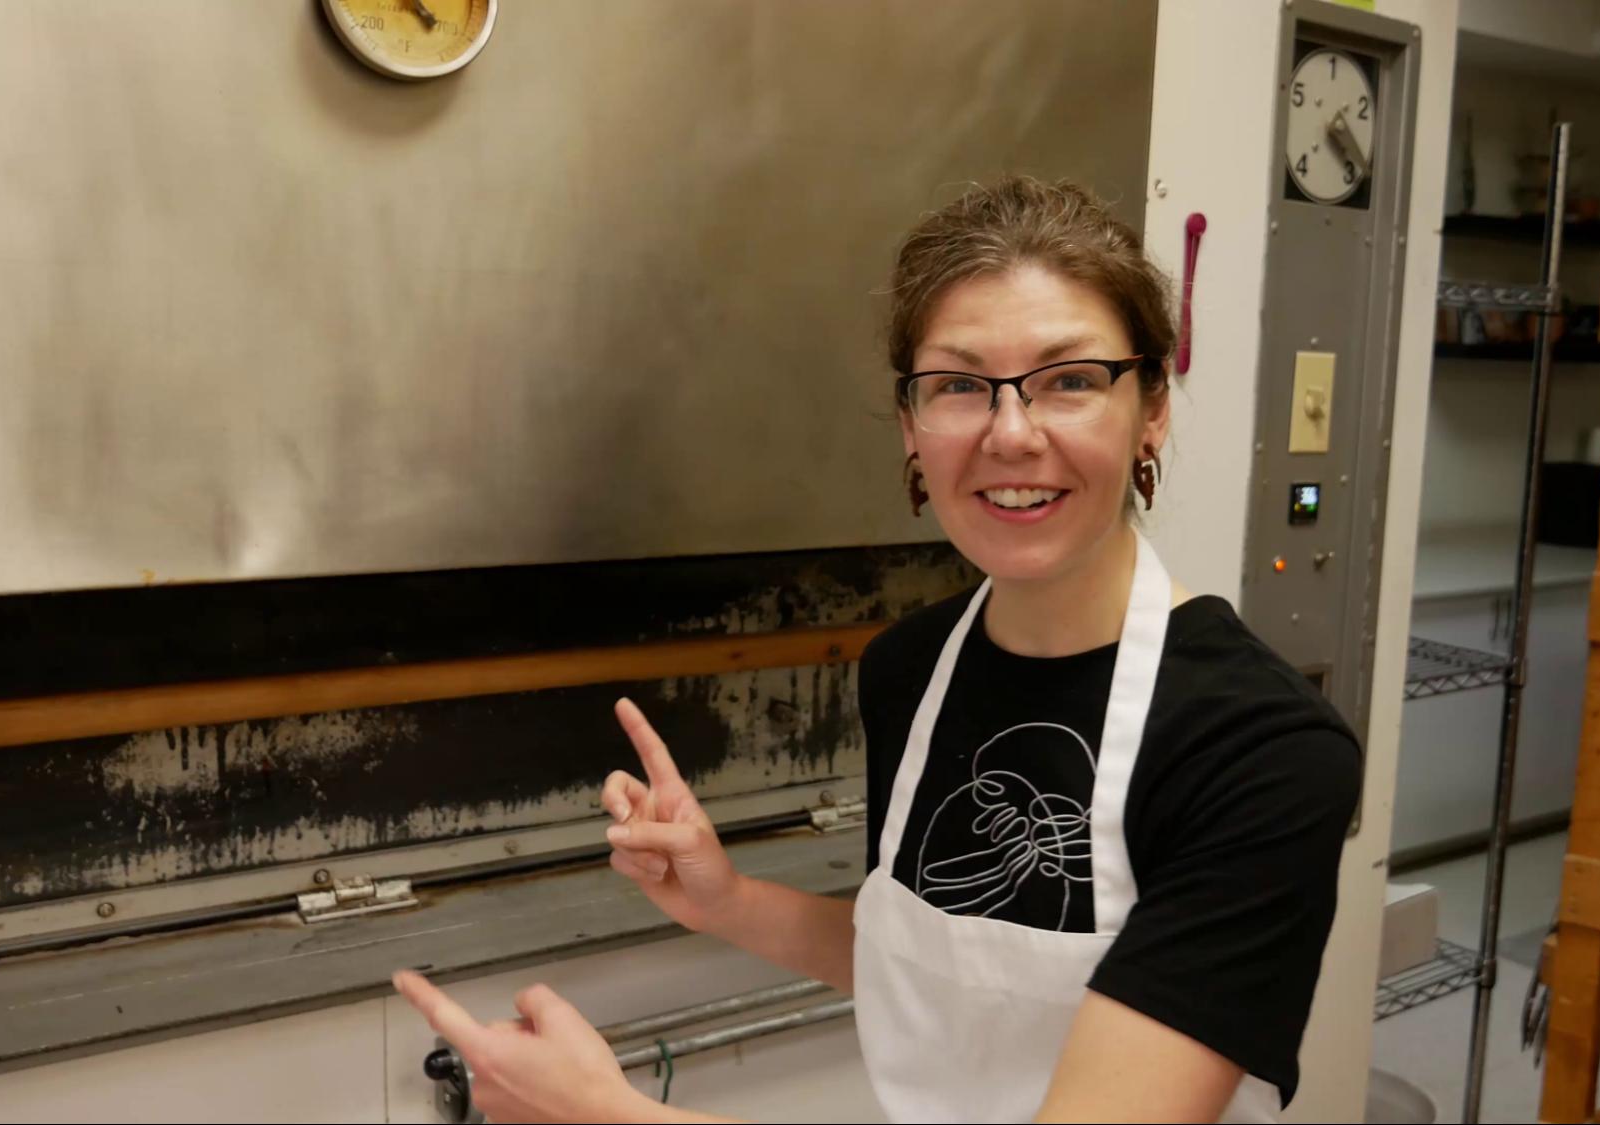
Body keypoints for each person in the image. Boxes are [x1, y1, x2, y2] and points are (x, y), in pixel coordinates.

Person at [394, 176, 1361, 1124]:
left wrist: (609, 1116)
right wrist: (725, 899)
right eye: (957, 386)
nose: (1010, 433)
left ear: (1151, 405)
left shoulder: (1261, 751)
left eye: (1069, 380)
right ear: (910, 426)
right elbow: (938, 968)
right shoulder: (911, 668)